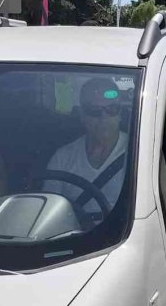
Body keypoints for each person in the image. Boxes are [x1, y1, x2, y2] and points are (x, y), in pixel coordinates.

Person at [43, 78, 128, 216]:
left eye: (112, 109)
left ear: (120, 114)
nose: (104, 117)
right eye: (95, 111)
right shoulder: (62, 158)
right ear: (82, 115)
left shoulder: (138, 153)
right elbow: (47, 213)